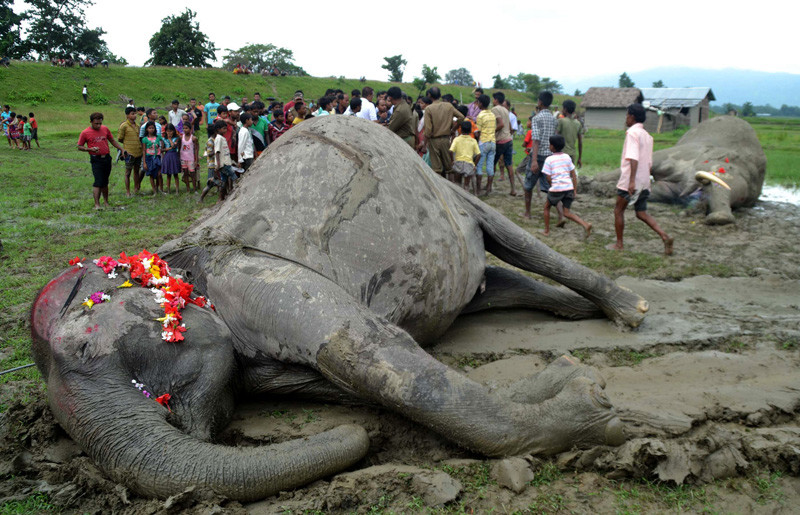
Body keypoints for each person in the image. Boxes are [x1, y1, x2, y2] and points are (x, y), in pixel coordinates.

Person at [609, 104, 674, 255]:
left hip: (631, 181)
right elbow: (648, 161)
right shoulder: (647, 136)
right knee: (641, 213)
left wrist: (631, 181)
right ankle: (665, 236)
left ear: (632, 116)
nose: (626, 118)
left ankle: (619, 244)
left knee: (618, 211)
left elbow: (633, 158)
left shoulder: (632, 133)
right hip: (644, 180)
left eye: (627, 115)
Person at [541, 135, 591, 238]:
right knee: (567, 213)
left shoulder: (549, 159)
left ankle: (546, 230)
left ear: (552, 147)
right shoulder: (567, 157)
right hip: (569, 188)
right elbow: (573, 174)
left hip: (557, 188)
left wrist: (553, 186)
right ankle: (585, 224)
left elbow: (548, 177)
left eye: (550, 144)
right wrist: (575, 189)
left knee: (546, 208)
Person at [77, 112, 127, 210]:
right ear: (91, 122)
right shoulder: (85, 132)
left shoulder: (105, 129)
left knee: (105, 181)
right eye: (96, 123)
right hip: (96, 159)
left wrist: (121, 149)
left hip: (107, 158)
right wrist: (89, 149)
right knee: (98, 181)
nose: (99, 125)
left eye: (100, 123)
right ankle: (97, 204)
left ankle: (106, 202)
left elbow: (112, 140)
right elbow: (79, 146)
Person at [524, 91, 558, 220]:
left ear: (540, 102)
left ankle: (528, 213)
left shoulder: (536, 118)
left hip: (538, 156)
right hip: (550, 156)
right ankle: (561, 215)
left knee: (528, 186)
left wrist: (533, 161)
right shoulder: (554, 119)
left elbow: (536, 140)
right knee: (551, 187)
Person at [422, 86, 464, 181]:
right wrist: (453, 129)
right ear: (440, 95)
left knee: (437, 168)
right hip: (446, 139)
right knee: (449, 167)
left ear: (429, 95)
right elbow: (461, 117)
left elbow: (428, 130)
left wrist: (424, 145)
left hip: (434, 141)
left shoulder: (429, 109)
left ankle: (440, 189)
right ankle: (452, 187)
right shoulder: (448, 106)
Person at [491, 92, 517, 196]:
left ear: (496, 100)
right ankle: (513, 189)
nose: (492, 101)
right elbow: (510, 127)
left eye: (493, 99)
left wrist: (492, 131)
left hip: (500, 140)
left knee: (492, 163)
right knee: (509, 164)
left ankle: (489, 186)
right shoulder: (506, 110)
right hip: (509, 140)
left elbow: (501, 124)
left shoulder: (495, 109)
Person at [450, 121, 481, 194]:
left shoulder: (456, 139)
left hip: (458, 163)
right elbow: (479, 154)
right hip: (469, 164)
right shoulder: (473, 141)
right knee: (466, 185)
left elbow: (451, 151)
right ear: (471, 130)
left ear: (460, 130)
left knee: (457, 183)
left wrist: (452, 161)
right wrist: (474, 165)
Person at [118, 107, 143, 196]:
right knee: (128, 172)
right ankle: (128, 191)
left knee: (136, 171)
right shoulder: (124, 126)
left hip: (138, 152)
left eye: (135, 113)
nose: (134, 115)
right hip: (129, 153)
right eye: (132, 114)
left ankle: (136, 189)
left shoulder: (137, 126)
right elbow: (120, 139)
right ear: (127, 115)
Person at [474, 95, 496, 195]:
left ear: (481, 104)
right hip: (493, 142)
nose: (477, 104)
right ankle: (488, 189)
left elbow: (477, 132)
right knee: (490, 166)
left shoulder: (480, 115)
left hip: (483, 142)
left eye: (478, 102)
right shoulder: (492, 114)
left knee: (479, 166)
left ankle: (478, 190)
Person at [213, 120, 237, 200]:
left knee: (224, 181)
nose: (225, 130)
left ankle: (221, 197)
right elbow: (217, 152)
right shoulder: (219, 139)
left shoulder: (222, 138)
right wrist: (219, 164)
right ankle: (236, 193)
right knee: (234, 177)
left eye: (226, 128)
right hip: (224, 164)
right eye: (224, 129)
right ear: (218, 129)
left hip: (226, 162)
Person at [557, 99, 582, 168]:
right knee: (570, 175)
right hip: (572, 154)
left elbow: (555, 137)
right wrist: (579, 158)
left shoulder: (561, 121)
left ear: (565, 109)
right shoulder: (578, 123)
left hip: (561, 154)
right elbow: (580, 142)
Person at [140, 121, 164, 194]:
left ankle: (159, 189)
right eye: (150, 128)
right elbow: (144, 150)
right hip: (149, 157)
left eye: (153, 128)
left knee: (159, 174)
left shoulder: (158, 137)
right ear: (147, 129)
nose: (151, 129)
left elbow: (163, 143)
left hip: (157, 157)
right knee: (151, 174)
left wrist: (161, 148)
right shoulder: (144, 139)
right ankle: (154, 191)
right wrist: (144, 162)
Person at [199, 124, 221, 203]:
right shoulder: (210, 141)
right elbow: (209, 153)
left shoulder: (214, 139)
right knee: (210, 183)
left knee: (218, 180)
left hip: (215, 164)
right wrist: (216, 150)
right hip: (212, 165)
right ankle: (201, 198)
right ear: (215, 131)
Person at [160, 123, 181, 193]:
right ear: (165, 131)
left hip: (174, 156)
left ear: (174, 131)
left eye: (171, 131)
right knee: (168, 175)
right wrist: (168, 148)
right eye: (168, 131)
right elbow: (162, 149)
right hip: (167, 156)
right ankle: (168, 190)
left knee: (175, 174)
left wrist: (170, 139)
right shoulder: (163, 139)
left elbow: (174, 147)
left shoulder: (177, 138)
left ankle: (177, 190)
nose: (169, 133)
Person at [180, 122, 199, 193]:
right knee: (185, 174)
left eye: (186, 128)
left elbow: (196, 149)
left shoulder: (193, 138)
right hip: (183, 158)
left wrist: (196, 159)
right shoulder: (181, 137)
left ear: (190, 129)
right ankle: (188, 188)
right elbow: (179, 148)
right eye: (184, 128)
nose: (185, 130)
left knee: (192, 174)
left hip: (191, 158)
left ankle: (194, 189)